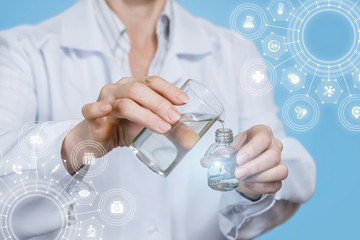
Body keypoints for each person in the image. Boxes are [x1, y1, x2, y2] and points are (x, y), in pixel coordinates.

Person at [0, 0, 316, 239]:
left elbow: (291, 174)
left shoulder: (234, 52)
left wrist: (256, 178)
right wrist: (77, 142)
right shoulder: (20, 51)